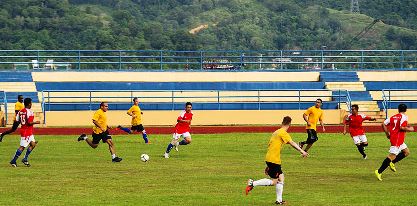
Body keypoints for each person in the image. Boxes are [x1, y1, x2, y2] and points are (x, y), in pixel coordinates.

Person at [245, 116, 308, 205]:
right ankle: (253, 183)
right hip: (274, 160)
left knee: (281, 177)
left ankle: (279, 200)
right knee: (275, 181)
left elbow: (271, 146)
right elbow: (292, 143)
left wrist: (268, 164)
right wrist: (302, 151)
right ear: (290, 124)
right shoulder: (283, 132)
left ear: (282, 122)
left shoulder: (276, 132)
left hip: (270, 158)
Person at [375, 104, 414, 181]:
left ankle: (392, 163)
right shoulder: (404, 117)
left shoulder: (393, 117)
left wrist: (387, 134)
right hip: (397, 139)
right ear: (406, 110)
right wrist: (410, 129)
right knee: (391, 156)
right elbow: (401, 127)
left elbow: (383, 124)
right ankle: (379, 171)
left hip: (397, 139)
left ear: (398, 109)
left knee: (406, 152)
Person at [9, 98, 40, 167]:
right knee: (22, 147)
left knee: (33, 144)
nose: (31, 104)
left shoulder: (20, 111)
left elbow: (17, 120)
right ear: (29, 104)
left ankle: (25, 159)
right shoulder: (30, 112)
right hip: (27, 132)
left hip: (26, 131)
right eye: (31, 103)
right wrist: (36, 122)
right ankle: (13, 161)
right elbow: (29, 123)